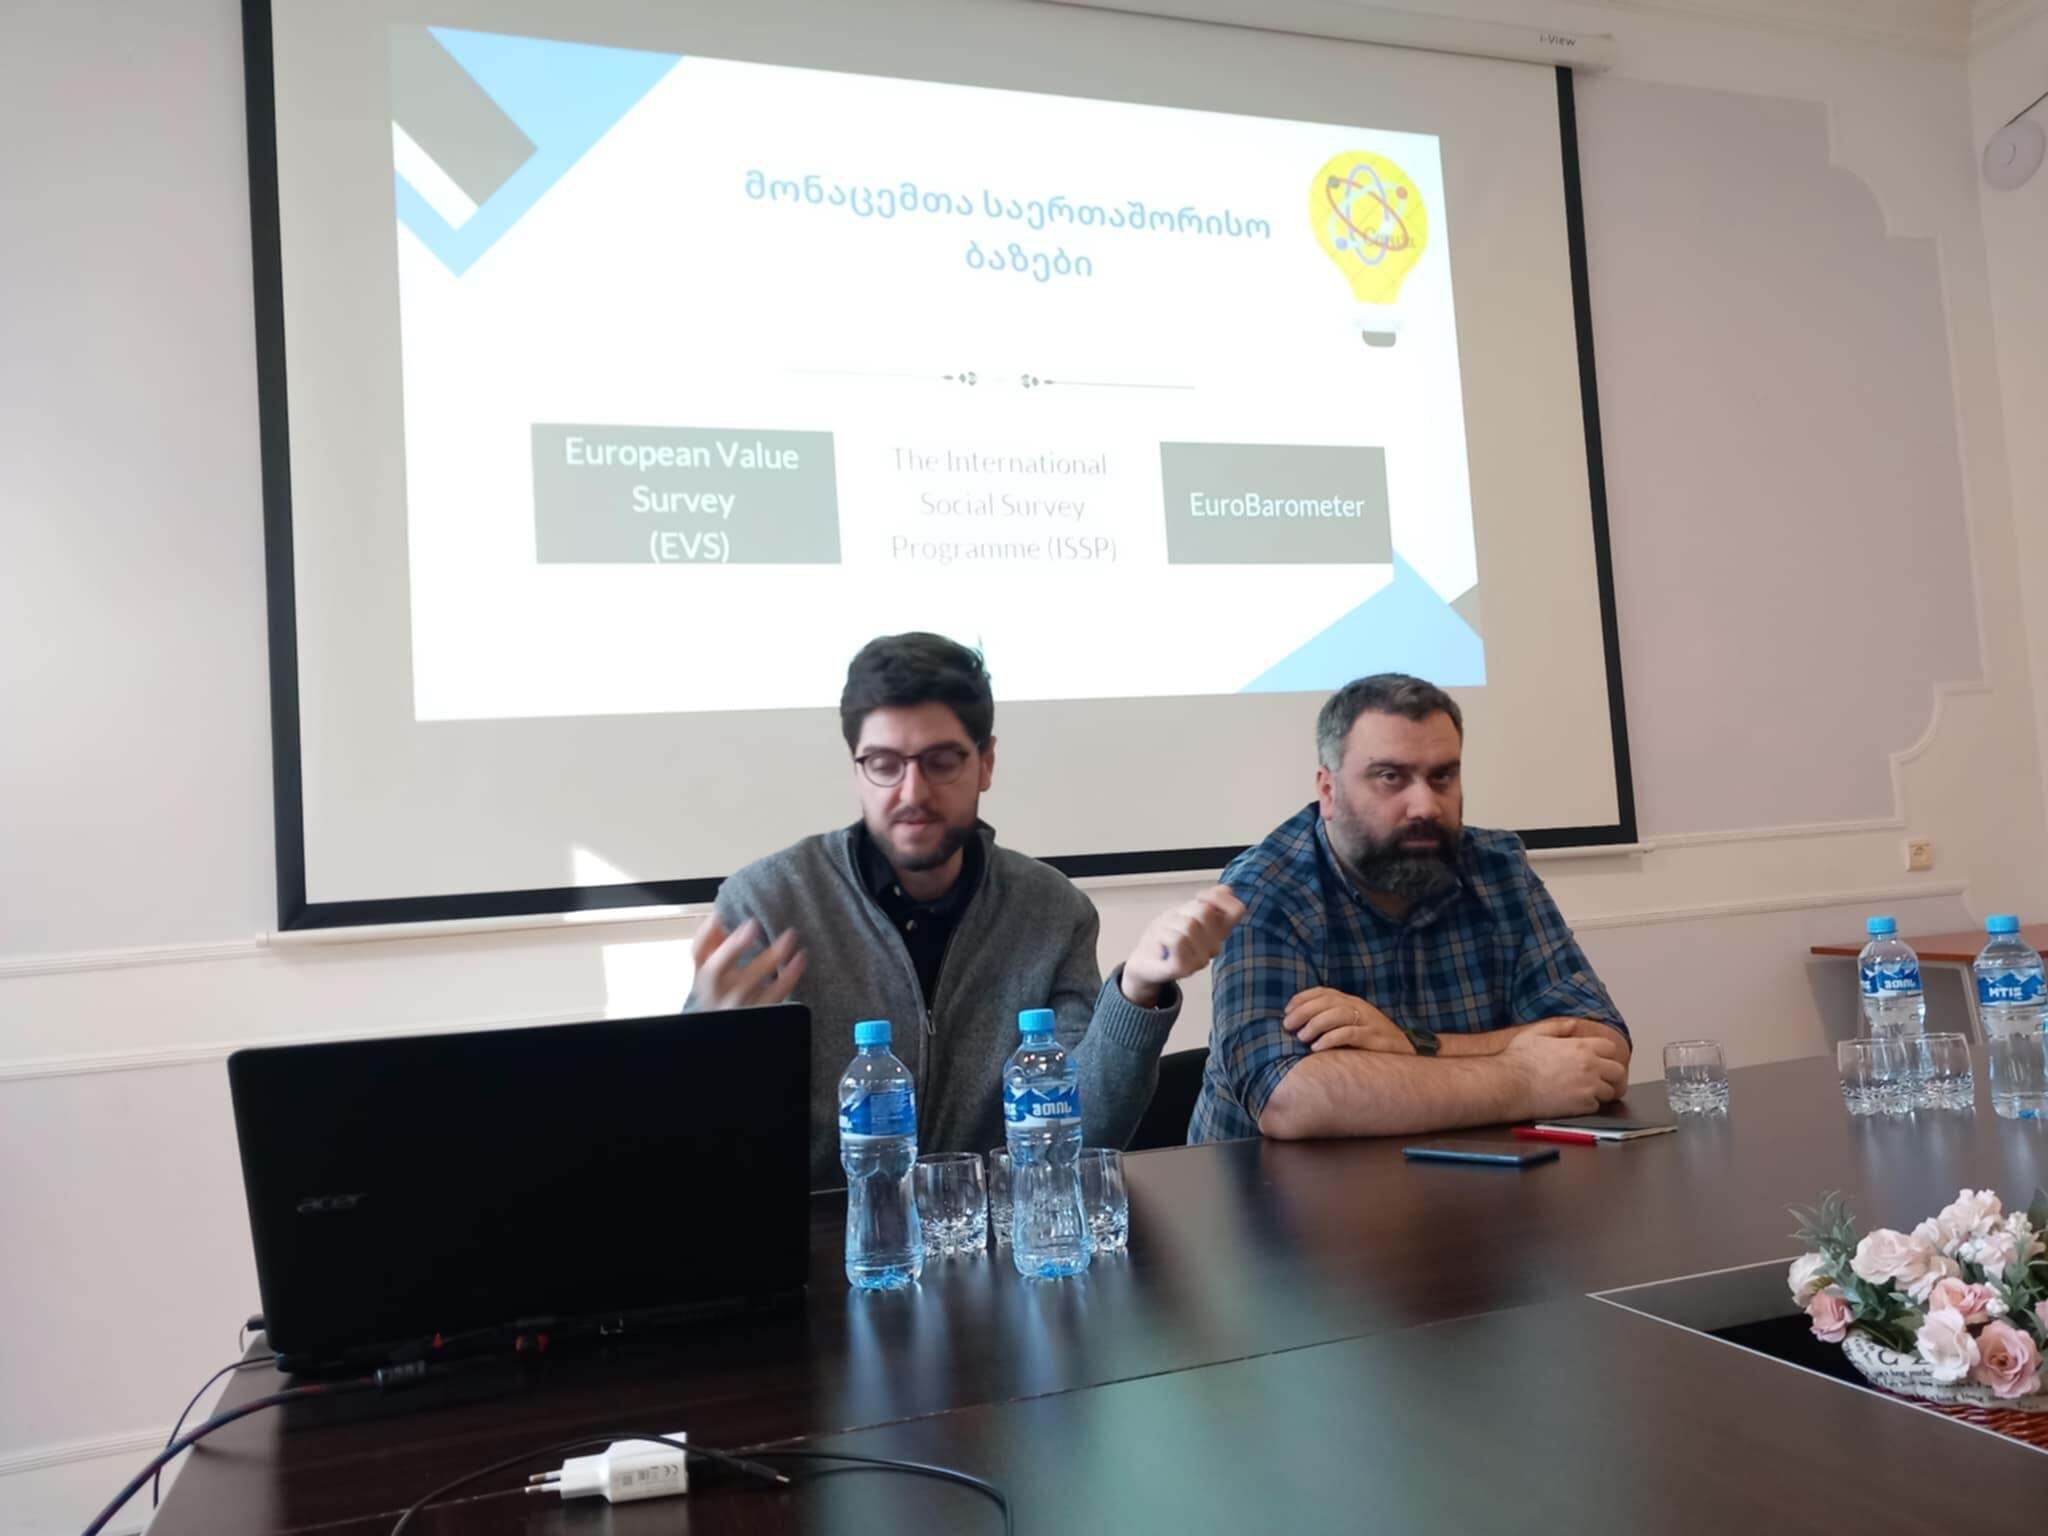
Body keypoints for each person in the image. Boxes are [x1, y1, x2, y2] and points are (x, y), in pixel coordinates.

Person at [687, 632, 1243, 1188]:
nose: (912, 793)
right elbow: (697, 1159)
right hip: (830, 1232)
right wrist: (707, 1045)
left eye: (941, 762)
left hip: (996, 1227)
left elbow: (1082, 1134)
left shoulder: (1053, 911)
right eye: (883, 764)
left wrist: (1138, 990)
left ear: (986, 763)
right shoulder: (768, 905)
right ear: (856, 769)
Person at [1189, 673, 1630, 1144]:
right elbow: (1288, 1100)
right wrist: (1525, 1079)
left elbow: (1601, 1049)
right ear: (1328, 791)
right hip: (1271, 1186)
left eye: (1442, 777)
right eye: (1391, 778)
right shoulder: (1264, 889)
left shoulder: (1498, 869)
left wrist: (1413, 1045)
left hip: (1468, 1173)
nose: (1425, 806)